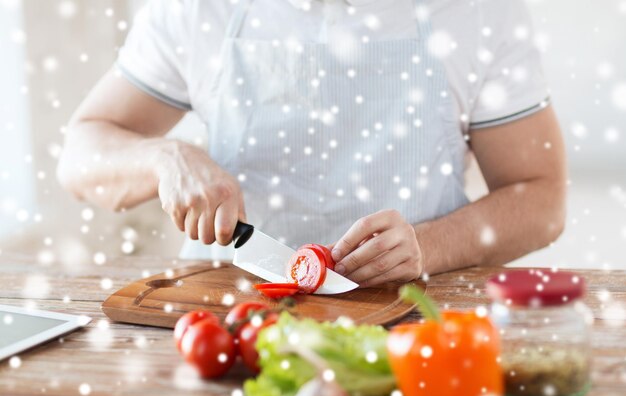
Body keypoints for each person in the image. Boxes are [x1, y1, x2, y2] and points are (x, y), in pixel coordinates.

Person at [57, 0, 566, 287]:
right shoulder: (196, 10)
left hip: (416, 310)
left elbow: (541, 199)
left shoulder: (479, 13)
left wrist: (428, 246)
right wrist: (165, 157)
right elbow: (80, 154)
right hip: (231, 316)